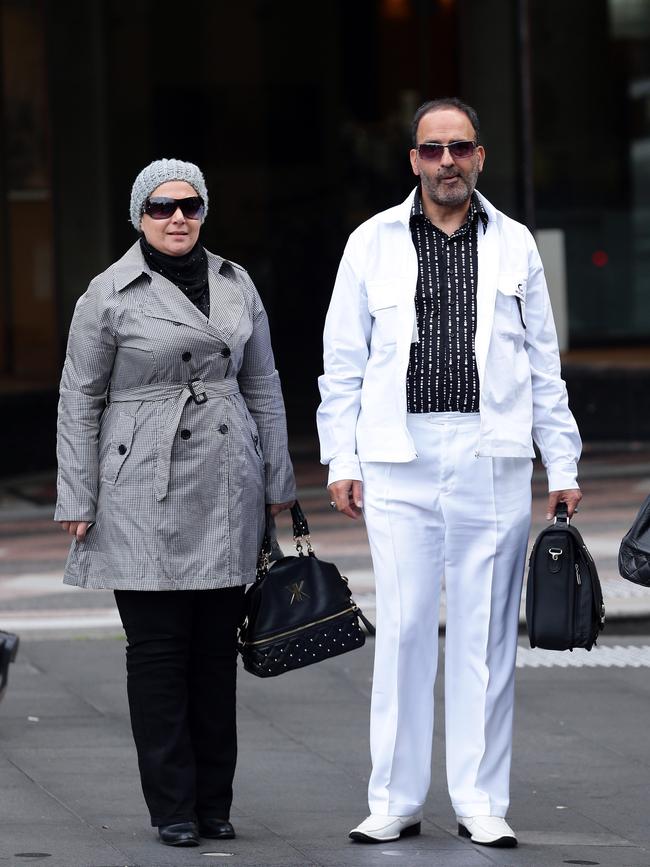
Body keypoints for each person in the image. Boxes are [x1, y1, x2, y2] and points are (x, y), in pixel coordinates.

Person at [317, 98, 581, 848]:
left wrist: (560, 461)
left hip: (492, 455)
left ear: (480, 157)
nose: (446, 162)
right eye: (432, 150)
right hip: (398, 456)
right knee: (402, 628)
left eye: (459, 148)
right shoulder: (370, 242)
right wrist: (343, 455)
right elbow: (342, 363)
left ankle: (480, 798)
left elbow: (543, 363)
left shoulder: (515, 243)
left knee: (486, 636)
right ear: (413, 161)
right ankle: (394, 799)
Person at [55, 158, 295, 848]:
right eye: (161, 207)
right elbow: (80, 398)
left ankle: (215, 801)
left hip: (227, 480)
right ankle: (173, 806)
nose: (177, 217)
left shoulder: (236, 282)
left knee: (217, 654)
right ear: (139, 217)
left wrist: (277, 480)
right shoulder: (107, 293)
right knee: (158, 653)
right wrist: (78, 491)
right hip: (140, 485)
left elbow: (265, 383)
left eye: (189, 205)